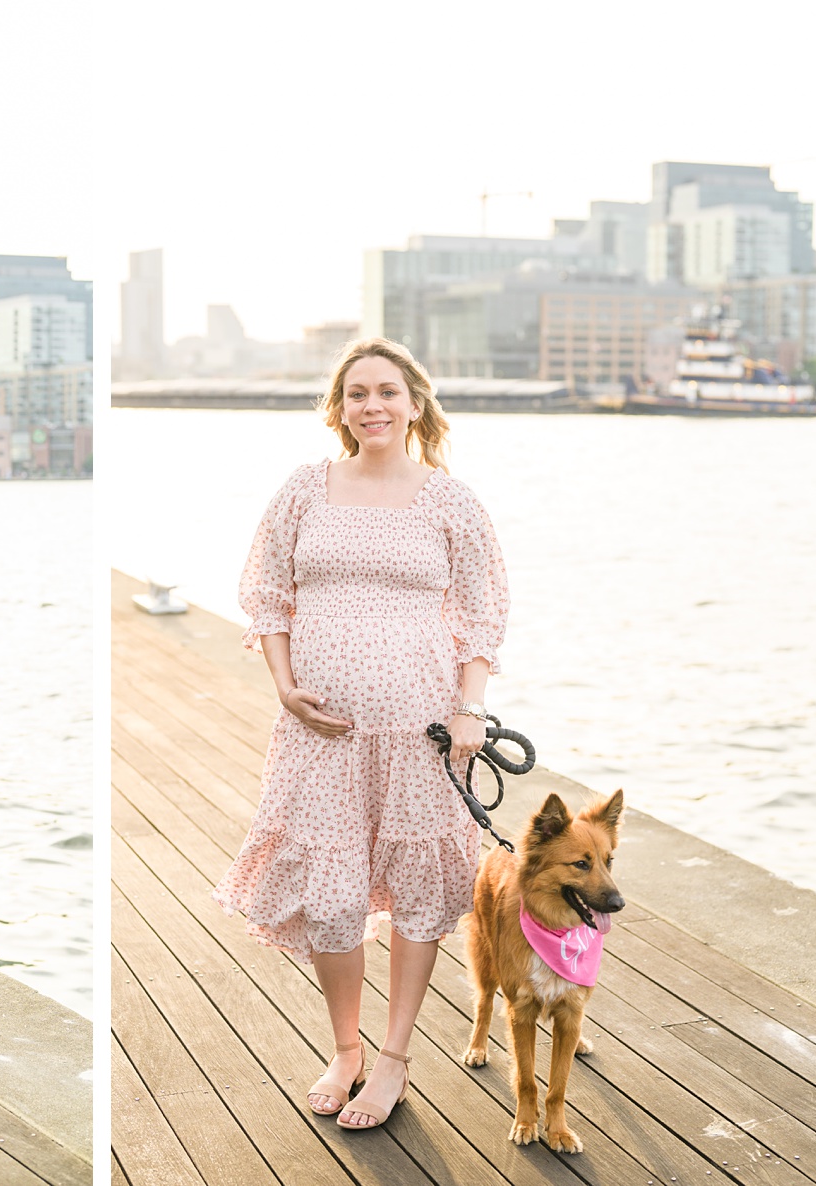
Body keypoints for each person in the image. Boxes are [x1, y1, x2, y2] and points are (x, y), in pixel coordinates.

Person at [209, 338, 508, 1131]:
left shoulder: (451, 502)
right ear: (339, 411)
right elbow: (268, 596)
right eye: (355, 394)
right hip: (321, 736)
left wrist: (469, 709)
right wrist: (286, 690)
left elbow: (482, 617)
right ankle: (345, 1048)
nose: (371, 405)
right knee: (331, 897)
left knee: (415, 891)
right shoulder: (305, 490)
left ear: (415, 403)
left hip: (419, 733)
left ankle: (394, 1060)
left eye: (385, 391)